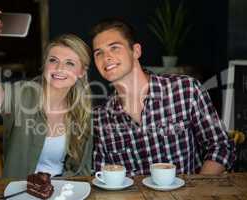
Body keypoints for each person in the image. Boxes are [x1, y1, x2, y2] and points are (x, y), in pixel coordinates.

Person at [91, 18, 235, 176]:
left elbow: (220, 146)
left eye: (115, 48)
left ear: (136, 51)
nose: (106, 57)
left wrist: (198, 192)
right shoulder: (101, 116)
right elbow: (101, 174)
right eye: (99, 53)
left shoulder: (185, 90)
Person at [0, 9, 92, 178]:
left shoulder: (82, 111)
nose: (59, 68)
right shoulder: (24, 93)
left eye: (70, 63)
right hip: (20, 191)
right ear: (45, 64)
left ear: (81, 72)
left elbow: (81, 171)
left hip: (62, 191)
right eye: (53, 60)